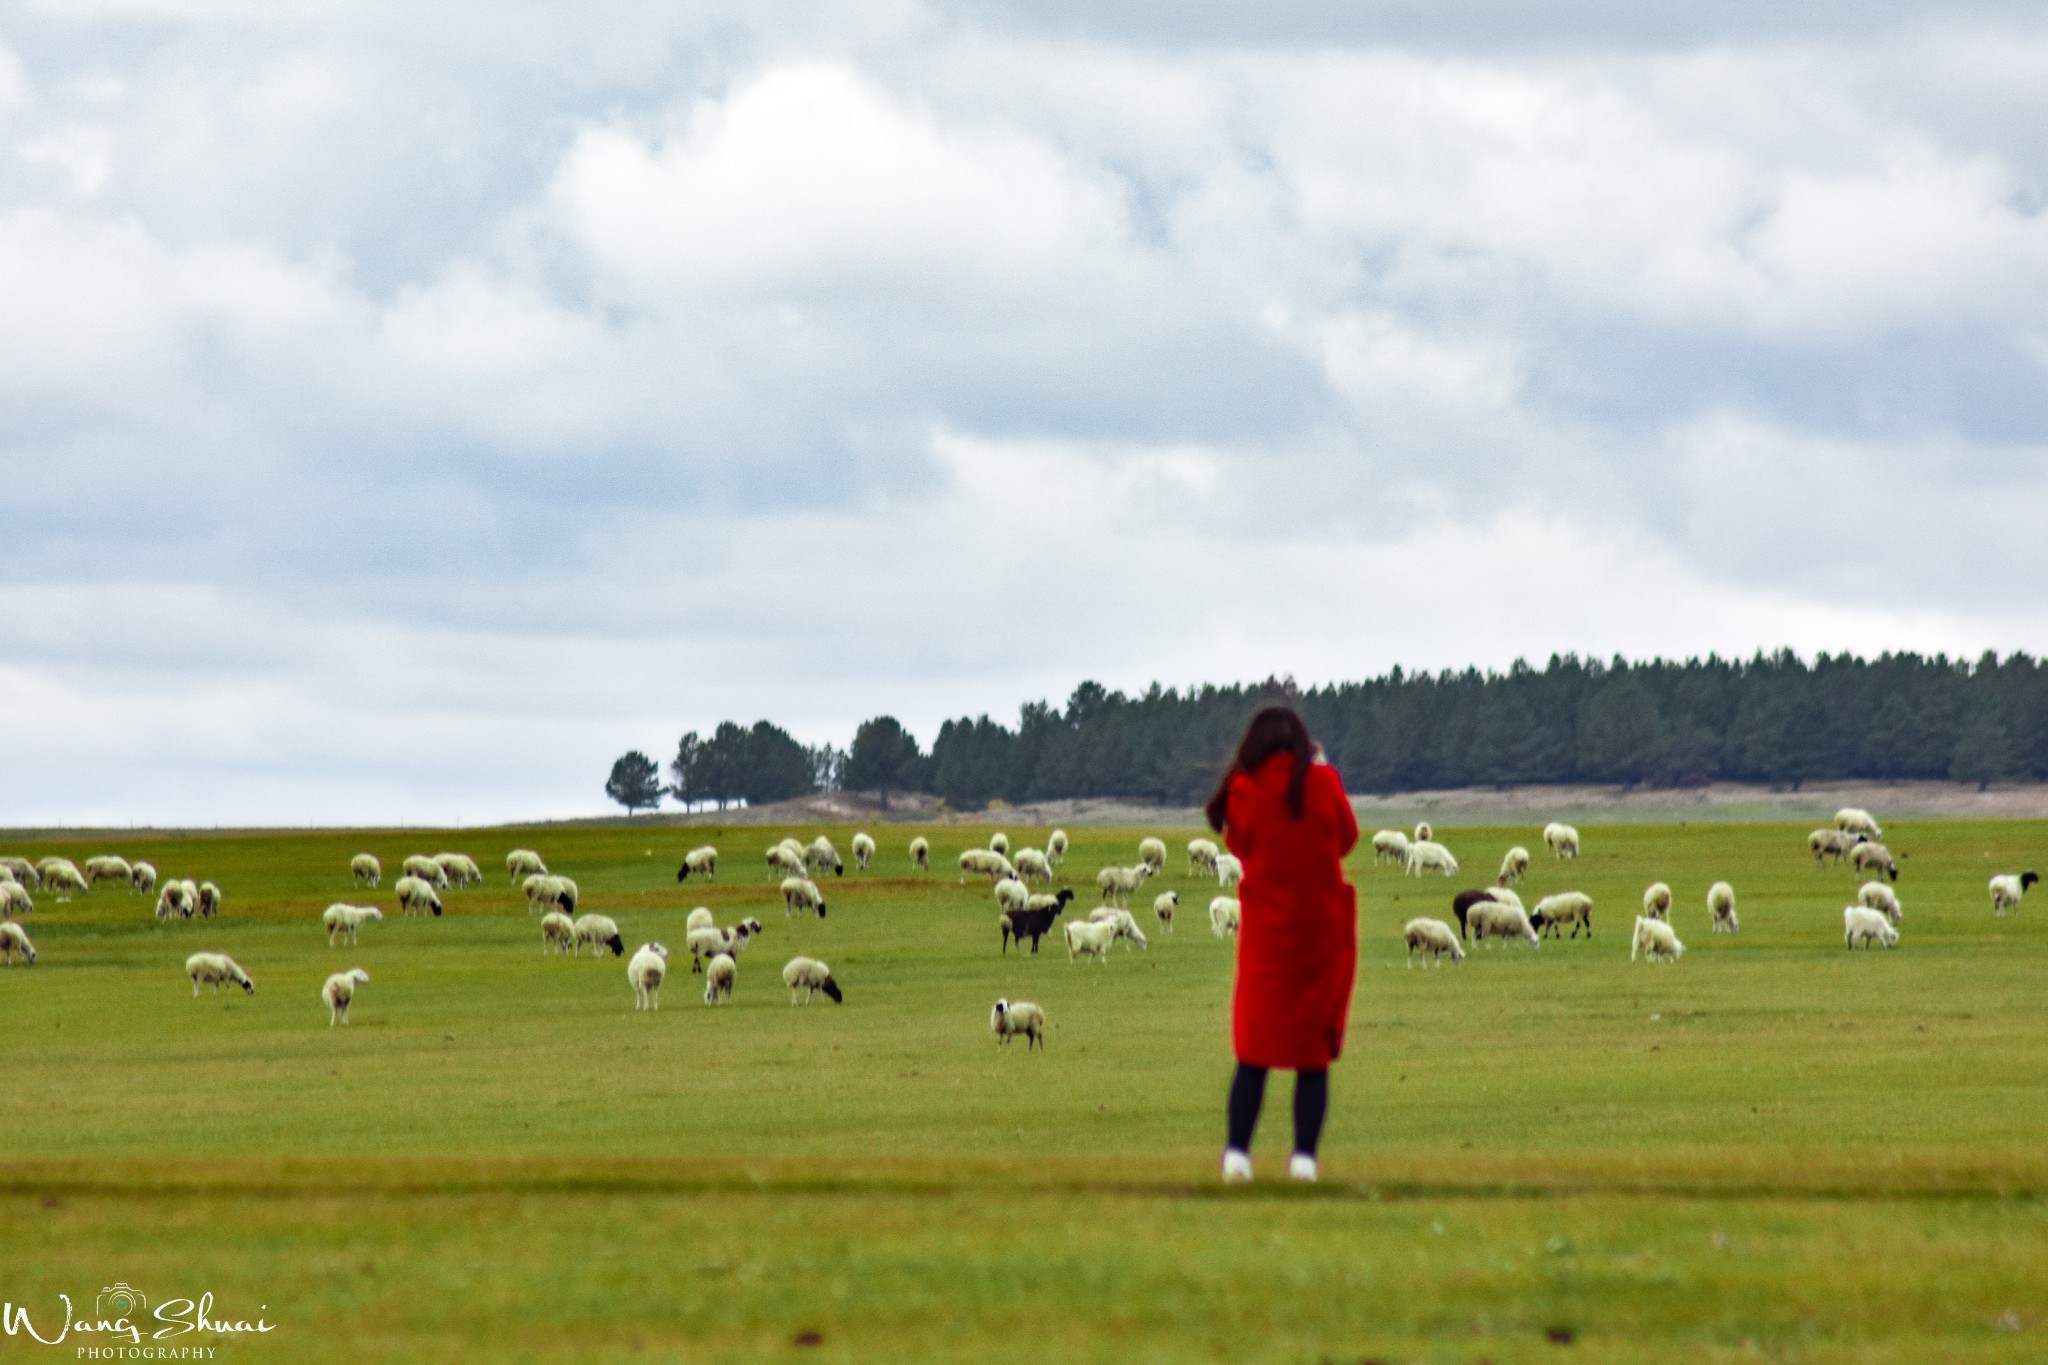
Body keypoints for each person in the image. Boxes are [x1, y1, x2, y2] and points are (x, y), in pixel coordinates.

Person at [1204, 705, 1359, 1182]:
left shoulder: (1243, 790)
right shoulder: (1323, 783)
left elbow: (1238, 844)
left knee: (1254, 1050)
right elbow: (1347, 839)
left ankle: (1237, 1157)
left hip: (1266, 937)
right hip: (1318, 934)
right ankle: (1304, 1161)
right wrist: (1322, 771)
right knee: (1312, 1055)